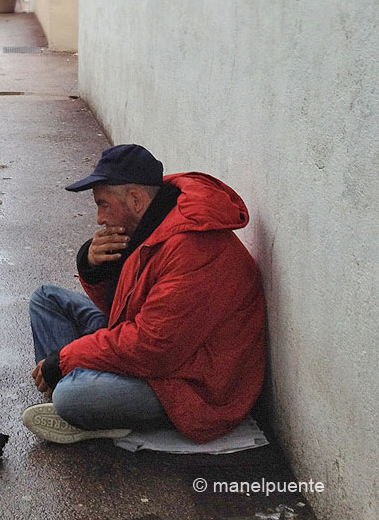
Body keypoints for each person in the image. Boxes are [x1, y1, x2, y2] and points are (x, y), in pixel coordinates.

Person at [23, 144, 266, 445]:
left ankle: (77, 399)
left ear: (136, 201)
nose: (99, 219)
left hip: (191, 385)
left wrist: (66, 358)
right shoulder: (153, 224)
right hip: (157, 353)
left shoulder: (192, 248)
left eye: (104, 205)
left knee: (71, 395)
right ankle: (83, 396)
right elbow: (120, 311)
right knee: (46, 299)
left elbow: (152, 349)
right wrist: (92, 266)